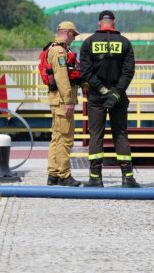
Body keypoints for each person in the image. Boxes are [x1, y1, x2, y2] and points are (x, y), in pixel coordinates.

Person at [79, 10, 140, 188]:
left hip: (96, 96)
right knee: (120, 134)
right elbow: (128, 72)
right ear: (114, 22)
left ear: (99, 23)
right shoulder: (125, 43)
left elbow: (86, 72)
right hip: (118, 97)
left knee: (96, 135)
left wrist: (102, 90)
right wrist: (114, 93)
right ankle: (128, 178)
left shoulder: (88, 43)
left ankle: (95, 178)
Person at [46, 21, 81, 186]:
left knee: (57, 137)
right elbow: (62, 78)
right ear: (67, 32)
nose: (73, 38)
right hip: (62, 101)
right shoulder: (60, 51)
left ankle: (53, 174)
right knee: (65, 139)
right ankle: (64, 175)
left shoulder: (54, 49)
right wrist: (68, 101)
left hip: (56, 99)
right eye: (73, 35)